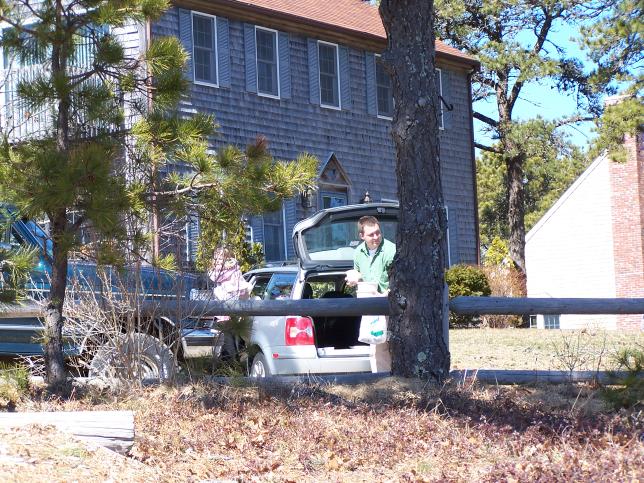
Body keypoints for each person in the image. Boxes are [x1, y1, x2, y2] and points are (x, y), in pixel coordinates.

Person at [345, 215, 396, 373]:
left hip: (390, 305)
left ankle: (391, 380)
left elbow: (400, 280)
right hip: (371, 308)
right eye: (371, 234)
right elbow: (359, 276)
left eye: (378, 232)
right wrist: (355, 278)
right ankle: (383, 381)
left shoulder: (391, 250)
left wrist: (386, 294)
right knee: (377, 347)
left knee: (389, 347)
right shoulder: (358, 253)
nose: (376, 237)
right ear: (362, 236)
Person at [208, 247, 251, 322]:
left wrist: (211, 271)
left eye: (220, 259)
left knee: (217, 292)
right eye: (216, 259)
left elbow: (216, 277)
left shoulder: (228, 269)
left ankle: (225, 320)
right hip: (236, 296)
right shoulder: (232, 267)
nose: (217, 261)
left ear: (226, 258)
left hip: (232, 295)